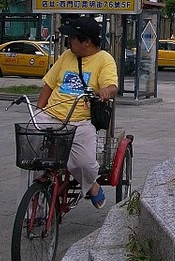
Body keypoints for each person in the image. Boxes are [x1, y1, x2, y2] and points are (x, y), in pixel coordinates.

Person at [34, 16, 118, 209]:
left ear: (86, 41)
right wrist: (37, 112)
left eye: (73, 38)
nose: (69, 41)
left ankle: (93, 186)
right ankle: (33, 211)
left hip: (81, 121)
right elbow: (49, 84)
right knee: (31, 159)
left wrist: (106, 91)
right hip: (51, 115)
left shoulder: (104, 60)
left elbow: (111, 86)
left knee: (84, 165)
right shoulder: (66, 56)